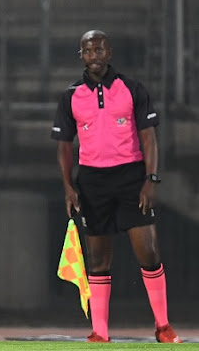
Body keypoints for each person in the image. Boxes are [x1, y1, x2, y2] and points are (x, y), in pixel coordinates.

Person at [51, 30, 182, 344]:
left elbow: (149, 138)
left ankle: (163, 326)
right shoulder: (71, 96)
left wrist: (150, 180)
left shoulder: (132, 89)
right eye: (87, 51)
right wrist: (69, 187)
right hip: (92, 182)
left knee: (148, 254)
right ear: (80, 55)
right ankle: (100, 332)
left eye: (99, 50)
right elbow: (64, 147)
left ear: (109, 52)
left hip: (131, 178)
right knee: (98, 261)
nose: (93, 56)